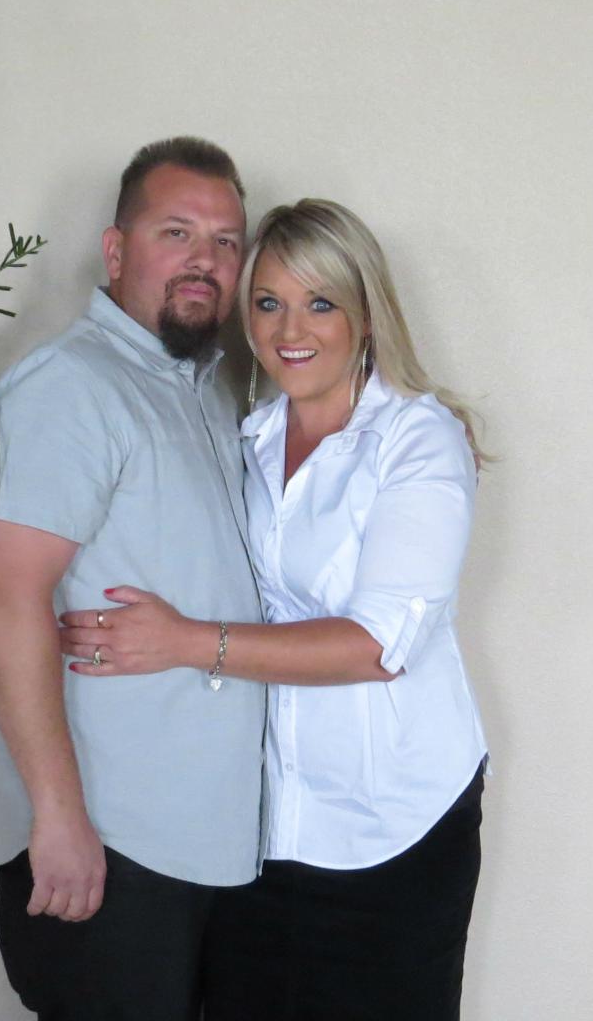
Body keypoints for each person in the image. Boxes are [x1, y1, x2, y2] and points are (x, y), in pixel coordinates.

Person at [60, 198, 489, 1021]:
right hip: (262, 827)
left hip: (393, 825)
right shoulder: (247, 438)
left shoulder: (418, 440)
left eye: (320, 302)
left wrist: (184, 642)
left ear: (366, 314)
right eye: (268, 302)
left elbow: (376, 646)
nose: (291, 329)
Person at [0, 136, 267, 1021]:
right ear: (115, 250)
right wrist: (59, 819)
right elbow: (3, 598)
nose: (205, 260)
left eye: (224, 241)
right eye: (176, 233)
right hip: (108, 844)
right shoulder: (70, 388)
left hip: (207, 843)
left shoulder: (207, 386)